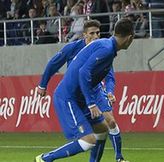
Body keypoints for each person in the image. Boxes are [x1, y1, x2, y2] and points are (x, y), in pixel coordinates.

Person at [35, 18, 134, 162]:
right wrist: (91, 103)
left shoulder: (106, 47)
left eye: (97, 33)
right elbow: (83, 73)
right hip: (68, 97)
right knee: (88, 141)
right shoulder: (105, 49)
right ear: (130, 38)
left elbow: (108, 76)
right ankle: (44, 159)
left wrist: (108, 92)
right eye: (92, 33)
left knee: (103, 129)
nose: (95, 36)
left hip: (81, 96)